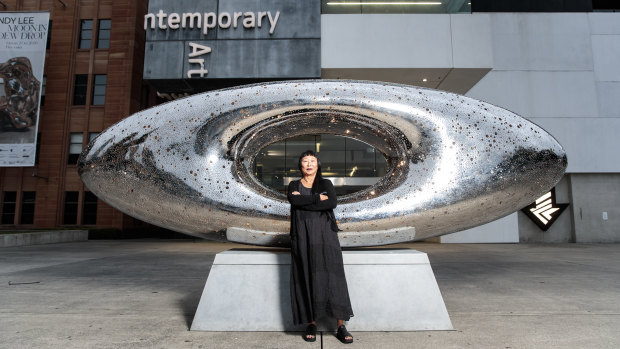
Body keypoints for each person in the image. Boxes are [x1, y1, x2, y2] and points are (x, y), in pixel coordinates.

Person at [287, 150, 354, 344]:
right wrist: (318, 199)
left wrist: (305, 200)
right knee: (307, 276)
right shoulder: (294, 185)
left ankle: (340, 325)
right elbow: (294, 201)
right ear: (300, 166)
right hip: (302, 236)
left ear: (318, 164)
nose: (309, 164)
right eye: (305, 161)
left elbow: (331, 203)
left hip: (326, 235)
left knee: (333, 278)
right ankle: (311, 323)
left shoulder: (326, 184)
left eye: (312, 161)